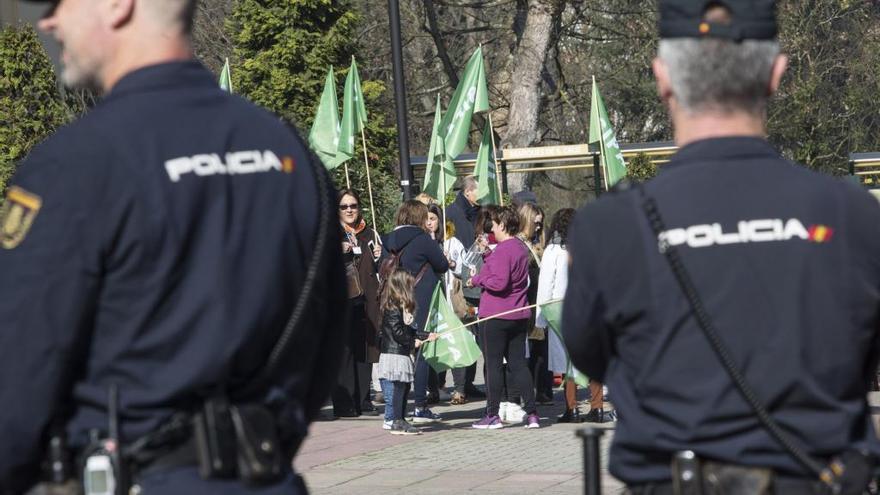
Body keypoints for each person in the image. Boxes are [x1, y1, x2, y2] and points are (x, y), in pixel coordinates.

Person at [0, 0, 345, 493]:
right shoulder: (290, 152)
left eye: (58, 4)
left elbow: (15, 385)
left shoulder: (75, 163)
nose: (48, 21)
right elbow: (325, 344)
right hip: (267, 477)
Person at [563, 1, 880, 493]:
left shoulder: (610, 224)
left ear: (663, 76)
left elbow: (591, 353)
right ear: (776, 74)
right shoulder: (851, 213)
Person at [468, 206, 539, 429]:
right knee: (519, 365)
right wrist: (488, 254)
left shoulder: (504, 249)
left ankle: (492, 414)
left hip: (496, 315)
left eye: (495, 224)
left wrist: (477, 280)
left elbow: (499, 282)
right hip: (517, 314)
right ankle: (533, 413)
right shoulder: (519, 247)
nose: (492, 228)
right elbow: (504, 270)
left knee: (494, 365)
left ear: (503, 225)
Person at [382, 200, 448, 424]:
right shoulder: (423, 239)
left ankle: (393, 413)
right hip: (419, 298)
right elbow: (442, 265)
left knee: (397, 352)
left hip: (393, 299)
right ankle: (420, 404)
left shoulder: (388, 238)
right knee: (421, 349)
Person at [333, 189, 383, 418]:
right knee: (344, 351)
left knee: (365, 347)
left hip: (367, 299)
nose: (349, 210)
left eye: (353, 205)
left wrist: (380, 256)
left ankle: (363, 399)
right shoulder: (331, 233)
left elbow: (381, 266)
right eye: (344, 207)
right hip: (342, 300)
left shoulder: (369, 233)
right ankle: (345, 403)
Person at [377, 269, 437, 435]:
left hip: (401, 352)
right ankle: (397, 420)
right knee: (398, 388)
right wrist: (412, 342)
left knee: (403, 388)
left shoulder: (403, 306)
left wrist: (426, 335)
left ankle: (401, 419)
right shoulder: (393, 306)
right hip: (394, 353)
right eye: (410, 284)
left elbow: (409, 329)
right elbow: (397, 332)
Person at [517, 202, 553, 404]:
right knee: (528, 348)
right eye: (535, 223)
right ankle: (527, 391)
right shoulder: (519, 243)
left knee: (541, 347)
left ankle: (543, 389)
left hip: (541, 300)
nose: (538, 228)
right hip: (526, 300)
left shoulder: (541, 243)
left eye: (540, 224)